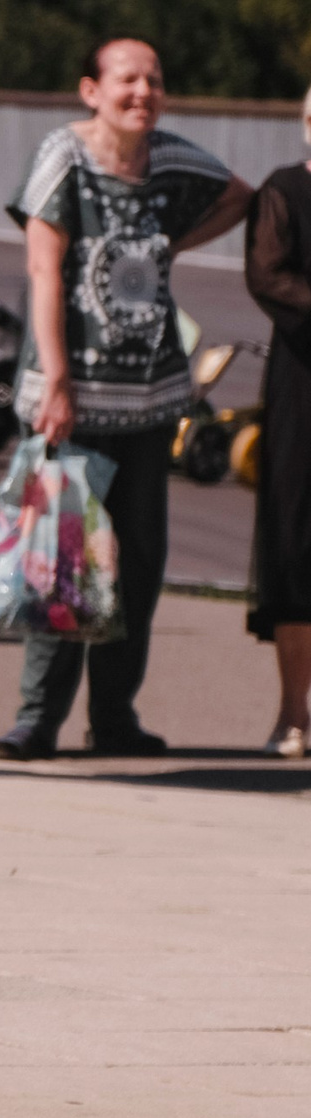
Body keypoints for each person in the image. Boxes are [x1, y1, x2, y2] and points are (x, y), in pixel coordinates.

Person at [0, 38, 253, 761]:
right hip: (71, 398)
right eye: (128, 79)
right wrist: (57, 379)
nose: (143, 92)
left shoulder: (169, 159)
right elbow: (43, 272)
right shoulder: (63, 158)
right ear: (91, 89)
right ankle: (36, 718)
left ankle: (114, 717)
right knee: (64, 560)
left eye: (154, 80)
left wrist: (172, 244)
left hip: (149, 397)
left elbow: (239, 195)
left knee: (137, 564)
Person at [248, 87, 311, 760]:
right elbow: (268, 275)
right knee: (295, 544)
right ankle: (293, 713)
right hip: (303, 386)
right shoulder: (284, 190)